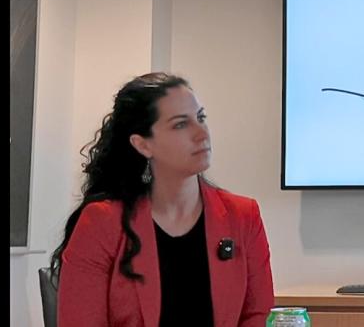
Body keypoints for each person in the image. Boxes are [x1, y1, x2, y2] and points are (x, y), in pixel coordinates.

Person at [50, 72, 274, 327]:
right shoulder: (101, 223)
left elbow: (259, 316)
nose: (202, 133)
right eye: (180, 124)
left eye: (201, 118)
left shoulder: (243, 215)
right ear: (143, 145)